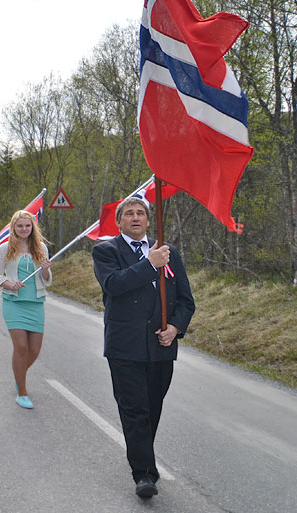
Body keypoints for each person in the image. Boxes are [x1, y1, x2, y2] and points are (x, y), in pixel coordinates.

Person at [92, 196, 194, 500]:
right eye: (129, 214)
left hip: (161, 347)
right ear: (119, 221)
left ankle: (142, 457)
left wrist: (175, 328)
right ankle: (144, 474)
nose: (135, 218)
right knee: (135, 410)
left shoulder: (168, 253)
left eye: (140, 213)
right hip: (125, 348)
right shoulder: (106, 250)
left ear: (148, 221)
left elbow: (186, 301)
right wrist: (149, 264)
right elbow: (114, 284)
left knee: (152, 408)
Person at [0, 209, 51, 410]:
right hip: (14, 303)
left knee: (34, 350)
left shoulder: (40, 247)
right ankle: (22, 392)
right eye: (20, 226)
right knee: (21, 347)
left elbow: (48, 280)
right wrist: (9, 284)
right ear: (13, 228)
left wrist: (45, 269)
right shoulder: (5, 248)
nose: (24, 229)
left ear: (32, 227)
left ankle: (19, 375)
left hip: (35, 303)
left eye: (27, 225)